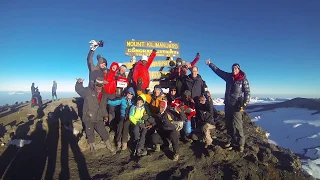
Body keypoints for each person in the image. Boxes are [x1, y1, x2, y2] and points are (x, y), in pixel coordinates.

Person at [206, 59, 250, 152]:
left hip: (237, 106)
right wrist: (210, 64)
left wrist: (244, 104)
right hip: (228, 105)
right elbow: (218, 71)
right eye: (233, 68)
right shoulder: (229, 77)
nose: (234, 69)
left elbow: (247, 93)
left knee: (238, 125)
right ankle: (232, 141)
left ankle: (241, 144)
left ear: (239, 69)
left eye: (236, 68)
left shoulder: (243, 80)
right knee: (229, 124)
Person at [75, 77, 115, 154]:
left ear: (102, 85)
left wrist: (105, 115)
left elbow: (103, 107)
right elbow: (79, 90)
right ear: (95, 84)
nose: (98, 87)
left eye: (100, 85)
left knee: (103, 131)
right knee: (90, 133)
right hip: (88, 117)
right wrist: (79, 83)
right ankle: (93, 148)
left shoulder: (104, 95)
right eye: (97, 85)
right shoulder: (88, 91)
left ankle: (109, 146)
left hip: (98, 117)